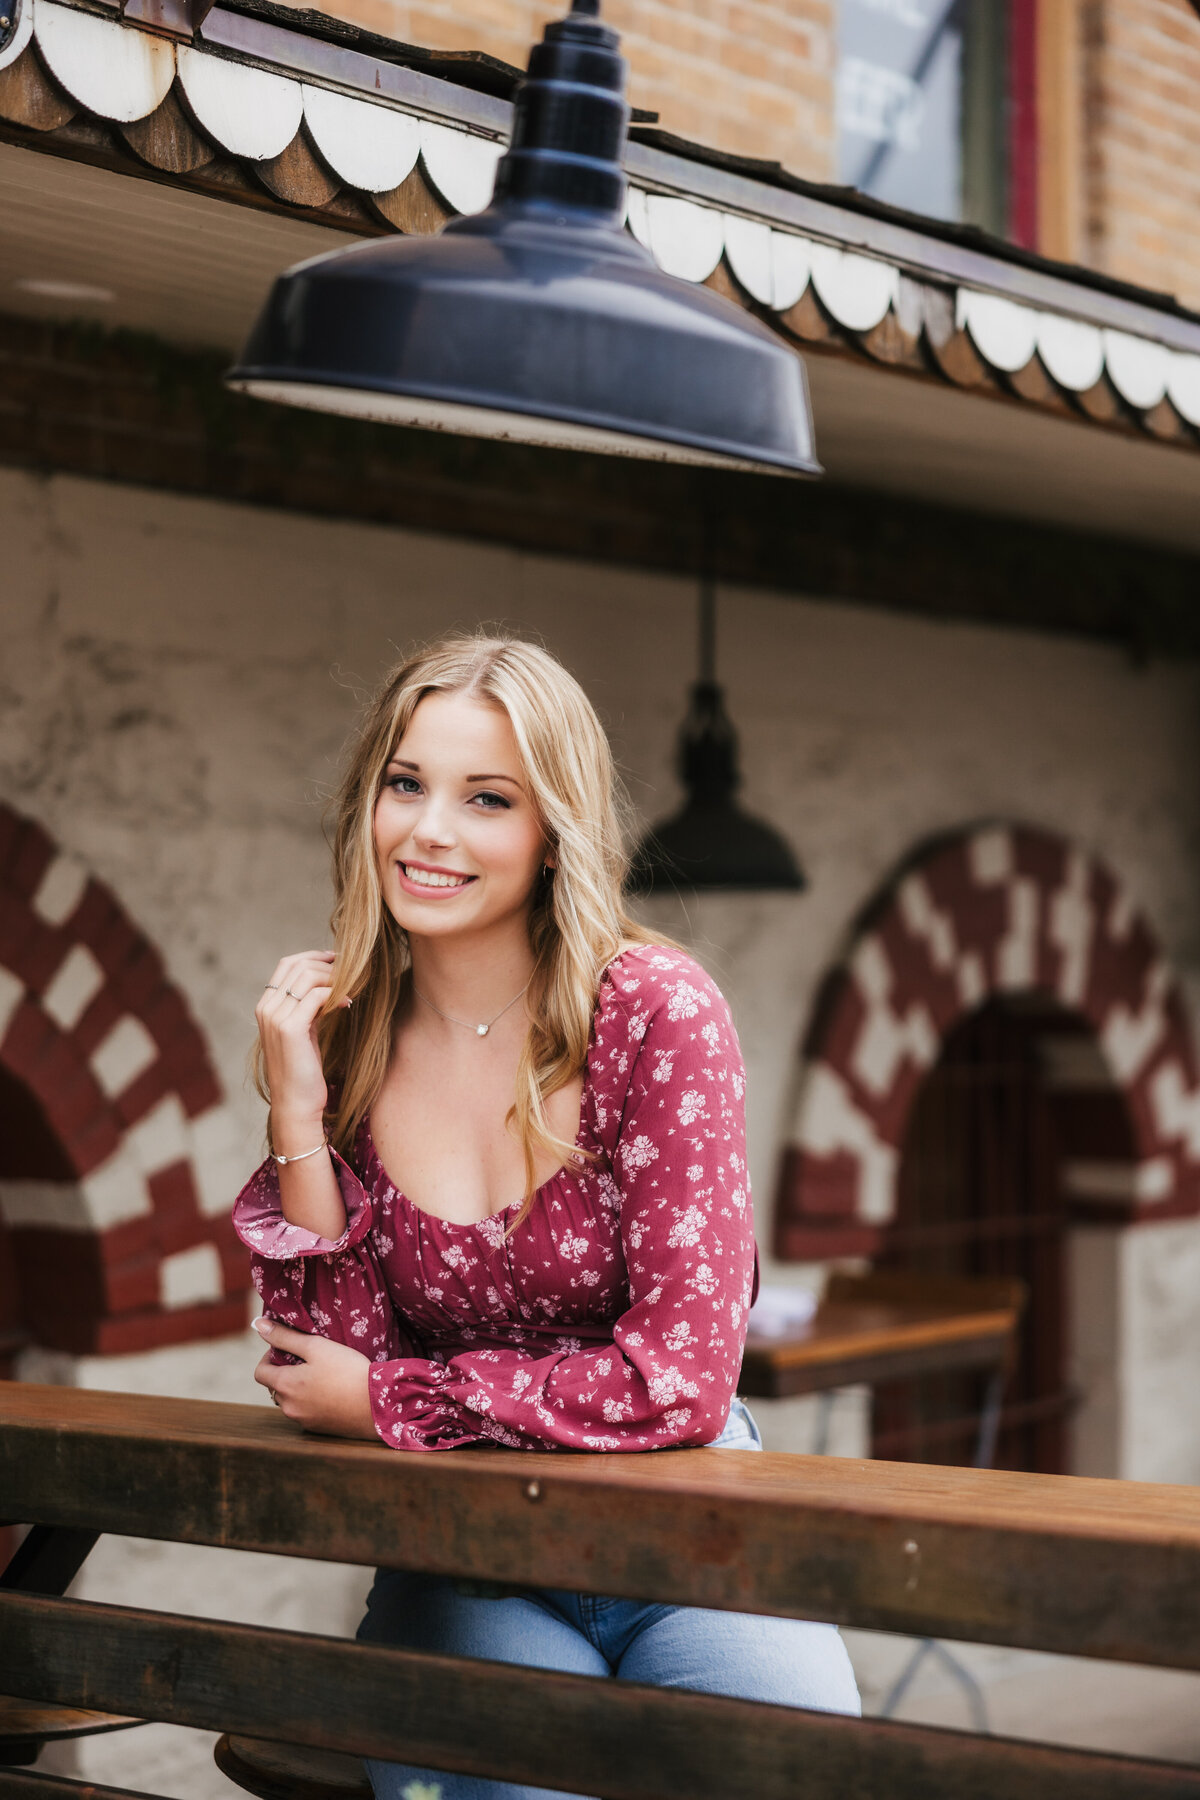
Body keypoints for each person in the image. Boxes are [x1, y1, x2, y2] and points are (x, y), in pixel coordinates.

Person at [234, 632, 860, 1800]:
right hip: (465, 1558)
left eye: (487, 799)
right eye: (406, 784)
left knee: (799, 1771)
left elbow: (682, 1379)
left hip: (685, 1540)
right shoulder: (352, 1040)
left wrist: (393, 1404)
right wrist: (299, 1112)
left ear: (551, 827)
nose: (429, 830)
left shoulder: (653, 1014)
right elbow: (321, 1367)